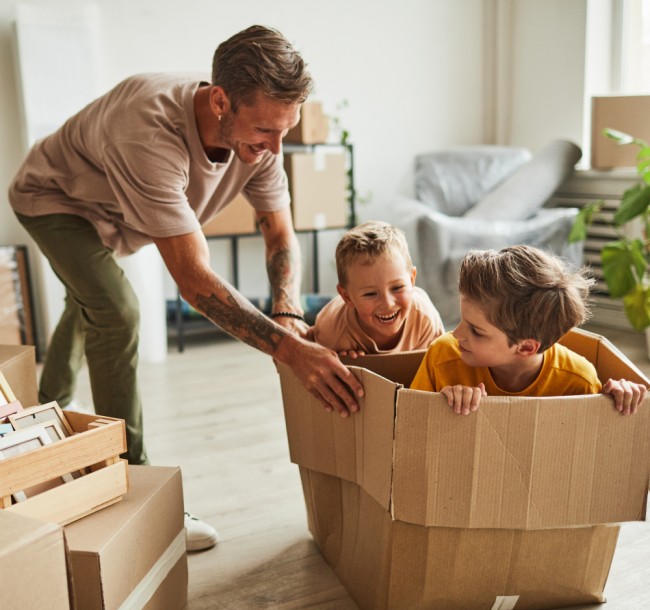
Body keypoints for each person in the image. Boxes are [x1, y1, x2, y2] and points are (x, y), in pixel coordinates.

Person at [7, 25, 363, 551]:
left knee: (92, 300)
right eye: (265, 130)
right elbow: (195, 282)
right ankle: (135, 486)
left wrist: (287, 312)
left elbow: (279, 234)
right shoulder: (148, 132)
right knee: (116, 310)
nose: (274, 148)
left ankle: (45, 414)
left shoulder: (260, 138)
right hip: (56, 198)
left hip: (117, 211)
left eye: (284, 131)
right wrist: (291, 351)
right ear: (221, 100)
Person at [410, 245, 647, 415]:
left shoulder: (577, 381)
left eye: (476, 331)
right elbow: (408, 426)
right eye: (463, 320)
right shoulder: (443, 356)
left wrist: (619, 400)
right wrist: (440, 407)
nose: (456, 334)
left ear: (525, 347)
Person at [311, 221, 444, 356]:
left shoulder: (425, 319)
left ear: (411, 280)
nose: (387, 303)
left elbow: (441, 368)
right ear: (347, 297)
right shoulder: (331, 332)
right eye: (370, 294)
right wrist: (344, 364)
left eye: (397, 287)